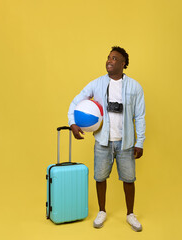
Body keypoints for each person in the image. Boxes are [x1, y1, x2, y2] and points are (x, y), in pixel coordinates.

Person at [68, 46, 145, 231]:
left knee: (129, 178)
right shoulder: (96, 84)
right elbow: (76, 101)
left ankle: (130, 214)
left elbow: (140, 116)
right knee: (100, 177)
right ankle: (102, 211)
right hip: (103, 141)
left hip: (126, 142)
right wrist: (72, 122)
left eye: (114, 58)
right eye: (108, 58)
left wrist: (139, 141)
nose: (109, 61)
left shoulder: (135, 87)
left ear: (123, 63)